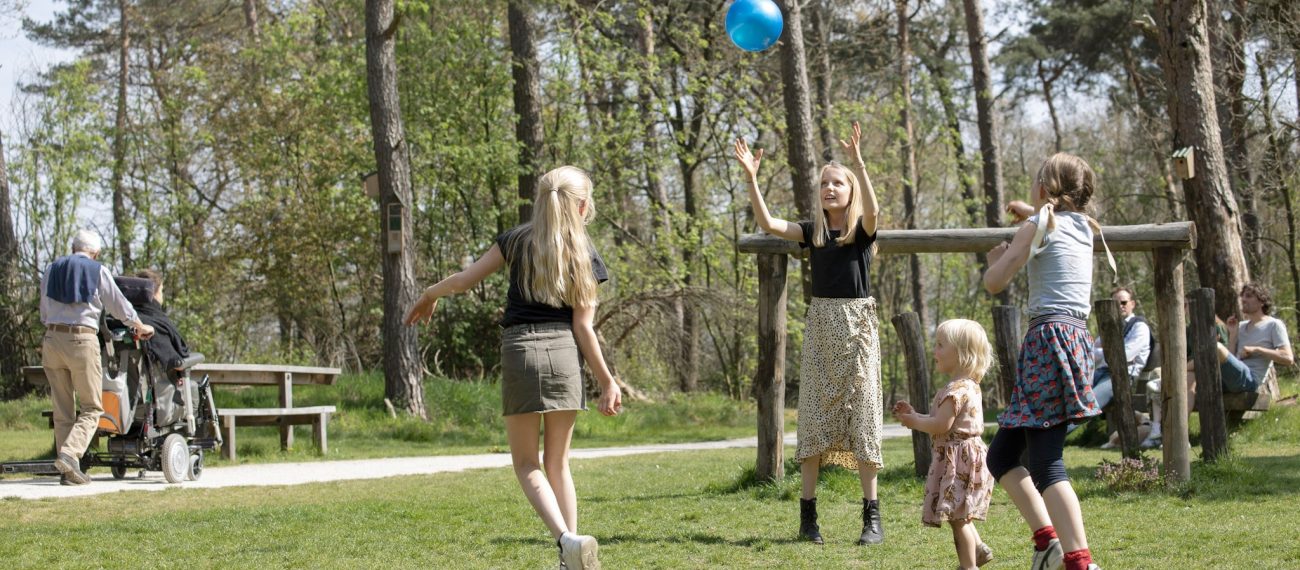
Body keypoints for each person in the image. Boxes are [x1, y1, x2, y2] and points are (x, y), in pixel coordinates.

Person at [404, 166, 621, 570]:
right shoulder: (585, 254)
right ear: (583, 205)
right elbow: (583, 327)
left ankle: (566, 542)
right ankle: (569, 553)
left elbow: (465, 281)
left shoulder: (516, 241)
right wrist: (608, 381)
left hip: (520, 351)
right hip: (562, 355)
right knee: (558, 463)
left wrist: (430, 293)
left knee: (526, 464)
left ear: (540, 200)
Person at [734, 121, 886, 546]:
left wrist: (859, 162)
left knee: (865, 419)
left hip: (858, 331)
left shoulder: (861, 234)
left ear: (851, 190)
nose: (830, 188)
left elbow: (873, 211)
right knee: (815, 419)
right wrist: (752, 179)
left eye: (838, 182)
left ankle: (871, 518)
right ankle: (808, 518)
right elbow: (767, 223)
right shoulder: (811, 232)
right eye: (824, 183)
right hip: (822, 328)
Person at [983, 153, 1108, 570]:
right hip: (1073, 341)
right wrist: (1029, 212)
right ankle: (1047, 542)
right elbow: (1048, 223)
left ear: (1044, 188)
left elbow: (996, 281)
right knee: (1000, 457)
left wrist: (993, 259)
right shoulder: (1085, 228)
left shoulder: (1038, 226)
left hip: (1046, 343)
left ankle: (1079, 561)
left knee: (1047, 464)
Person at [39, 230, 155, 486]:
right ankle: (70, 455)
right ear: (96, 252)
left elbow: (44, 311)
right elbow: (118, 304)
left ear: (73, 248)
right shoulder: (96, 270)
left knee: (63, 409)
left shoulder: (51, 269)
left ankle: (68, 471)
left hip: (51, 339)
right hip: (81, 340)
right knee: (92, 407)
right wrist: (138, 325)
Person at [892, 319, 996, 569]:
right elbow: (942, 421)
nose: (934, 351)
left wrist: (914, 422)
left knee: (958, 518)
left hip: (959, 460)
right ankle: (978, 551)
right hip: (967, 456)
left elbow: (941, 426)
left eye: (940, 345)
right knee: (961, 513)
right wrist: (915, 415)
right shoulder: (969, 386)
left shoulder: (955, 391)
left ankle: (969, 565)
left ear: (961, 354)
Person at [130, 270, 191, 371]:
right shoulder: (157, 324)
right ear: (153, 294)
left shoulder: (117, 319)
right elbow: (176, 362)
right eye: (161, 291)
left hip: (116, 383)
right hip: (157, 382)